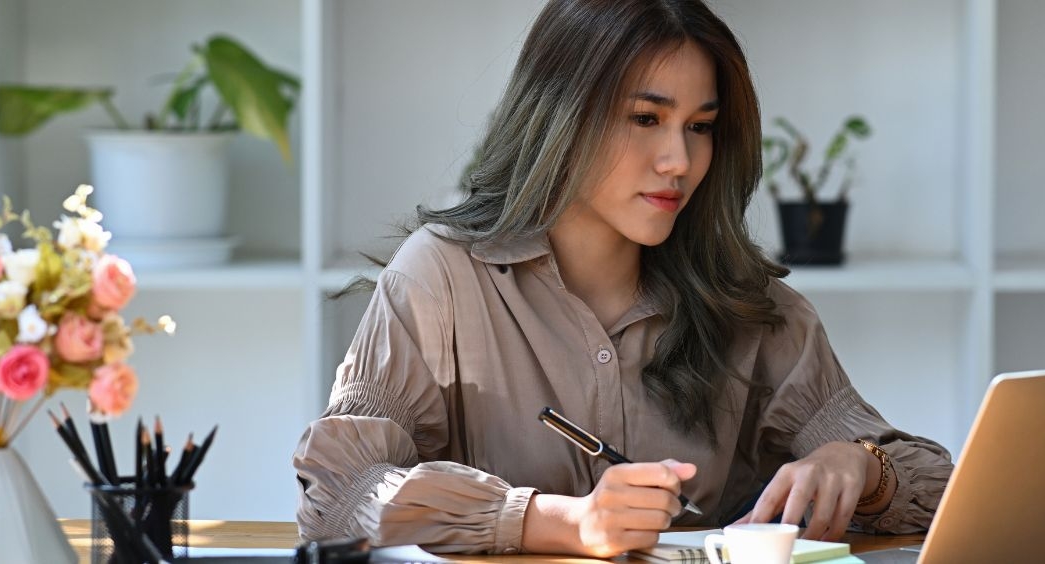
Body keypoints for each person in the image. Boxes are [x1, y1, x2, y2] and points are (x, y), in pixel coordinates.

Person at [293, 0, 952, 557]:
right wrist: (556, 520)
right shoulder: (441, 279)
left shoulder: (748, 304)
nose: (680, 160)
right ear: (561, 114)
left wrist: (864, 466)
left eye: (700, 127)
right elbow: (339, 494)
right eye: (646, 118)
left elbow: (949, 490)